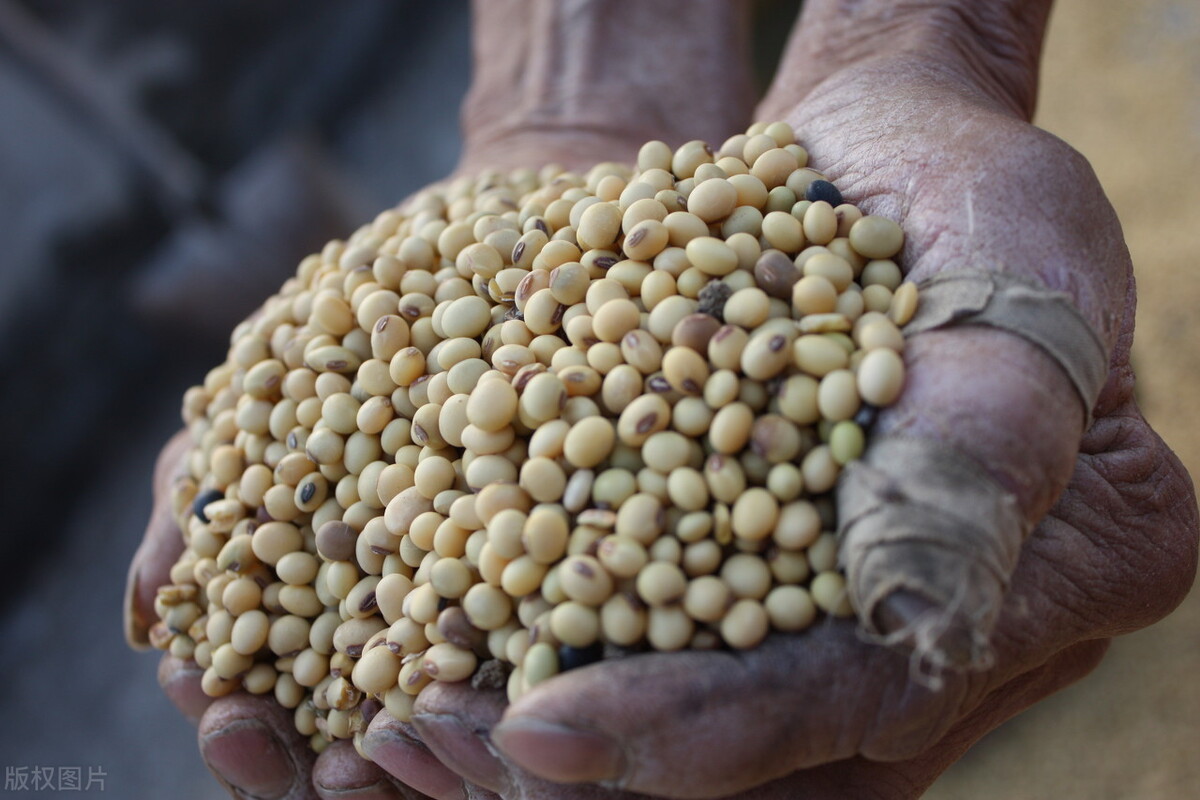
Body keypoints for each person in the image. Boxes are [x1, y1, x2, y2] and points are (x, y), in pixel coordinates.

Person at [125, 1, 1199, 798]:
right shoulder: (387, 433)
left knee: (963, 428)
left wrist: (920, 44)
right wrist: (561, 105)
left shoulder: (776, 271)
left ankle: (999, 506)